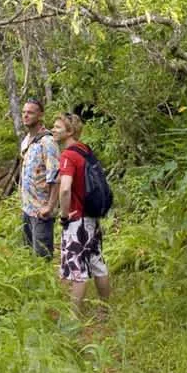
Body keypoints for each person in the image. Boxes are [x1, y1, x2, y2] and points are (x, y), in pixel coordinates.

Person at [53, 112, 111, 309]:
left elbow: (65, 188)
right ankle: (105, 310)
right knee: (97, 263)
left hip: (77, 219)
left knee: (77, 269)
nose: (53, 130)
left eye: (58, 127)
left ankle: (73, 317)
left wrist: (64, 215)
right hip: (91, 217)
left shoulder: (68, 155)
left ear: (69, 131)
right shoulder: (85, 150)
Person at [19, 98, 59, 258]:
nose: (25, 115)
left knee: (42, 258)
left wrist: (49, 207)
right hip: (27, 208)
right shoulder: (26, 141)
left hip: (41, 211)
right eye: (24, 112)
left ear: (40, 115)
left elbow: (55, 176)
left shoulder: (48, 142)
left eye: (30, 112)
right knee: (28, 257)